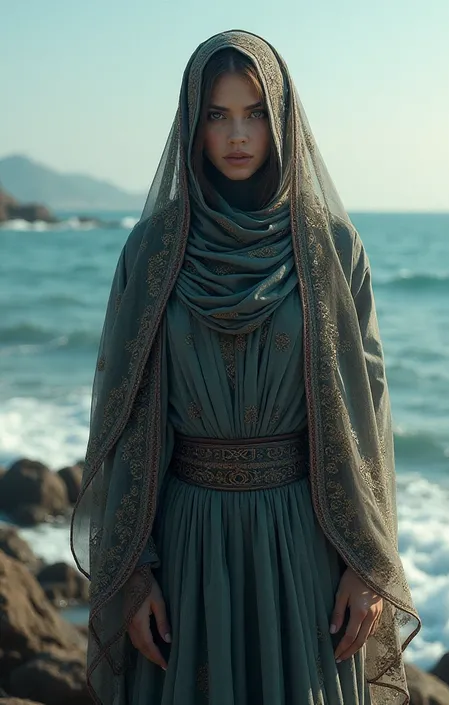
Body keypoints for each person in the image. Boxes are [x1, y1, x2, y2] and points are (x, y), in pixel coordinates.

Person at [71, 29, 421, 705]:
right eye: (218, 115)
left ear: (282, 117)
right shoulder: (151, 252)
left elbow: (367, 414)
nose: (238, 134)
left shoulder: (331, 248)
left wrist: (366, 562)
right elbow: (122, 414)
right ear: (192, 124)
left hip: (304, 540)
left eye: (256, 112)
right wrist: (135, 571)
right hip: (185, 545)